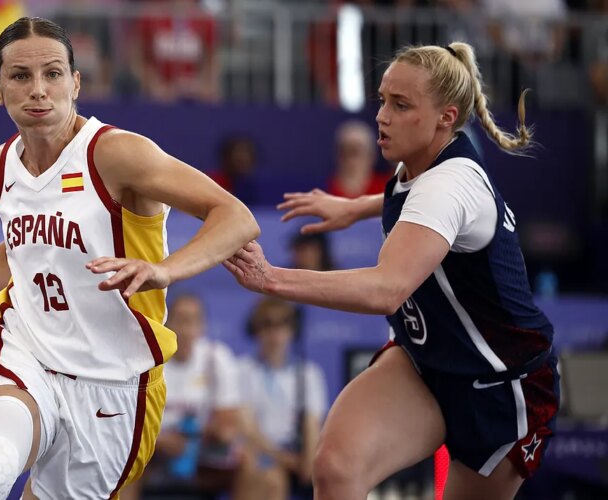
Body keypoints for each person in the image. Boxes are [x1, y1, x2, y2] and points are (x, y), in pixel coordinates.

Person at [0, 17, 258, 500]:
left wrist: (162, 270)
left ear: (76, 82)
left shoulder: (117, 153)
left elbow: (235, 216)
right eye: (20, 76)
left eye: (53, 73)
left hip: (114, 382)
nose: (38, 90)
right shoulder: (0, 163)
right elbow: (24, 253)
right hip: (26, 351)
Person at [227, 42, 559, 499]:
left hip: (500, 385)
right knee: (337, 468)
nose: (382, 115)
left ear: (446, 115)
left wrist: (271, 278)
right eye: (383, 99)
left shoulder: (449, 184)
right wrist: (358, 206)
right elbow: (413, 198)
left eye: (400, 105)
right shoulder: (421, 161)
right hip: (424, 362)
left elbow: (385, 289)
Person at [121, 293, 247, 500]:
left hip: (201, 449)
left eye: (193, 321)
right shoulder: (149, 357)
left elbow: (226, 427)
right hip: (153, 450)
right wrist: (160, 442)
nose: (187, 329)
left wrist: (190, 439)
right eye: (181, 320)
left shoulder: (216, 357)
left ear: (203, 326)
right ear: (167, 323)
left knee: (249, 463)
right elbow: (130, 421)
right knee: (124, 461)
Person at [238, 297, 327, 500]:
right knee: (272, 479)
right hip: (260, 455)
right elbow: (248, 430)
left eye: (281, 325)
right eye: (267, 325)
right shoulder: (242, 370)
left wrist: (308, 463)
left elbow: (311, 425)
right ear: (256, 330)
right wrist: (284, 460)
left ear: (292, 330)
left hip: (296, 455)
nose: (274, 334)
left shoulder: (308, 373)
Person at [326, 120, 392, 199]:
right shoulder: (326, 192)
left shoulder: (388, 189)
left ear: (371, 156)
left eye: (355, 152)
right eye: (344, 151)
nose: (350, 159)